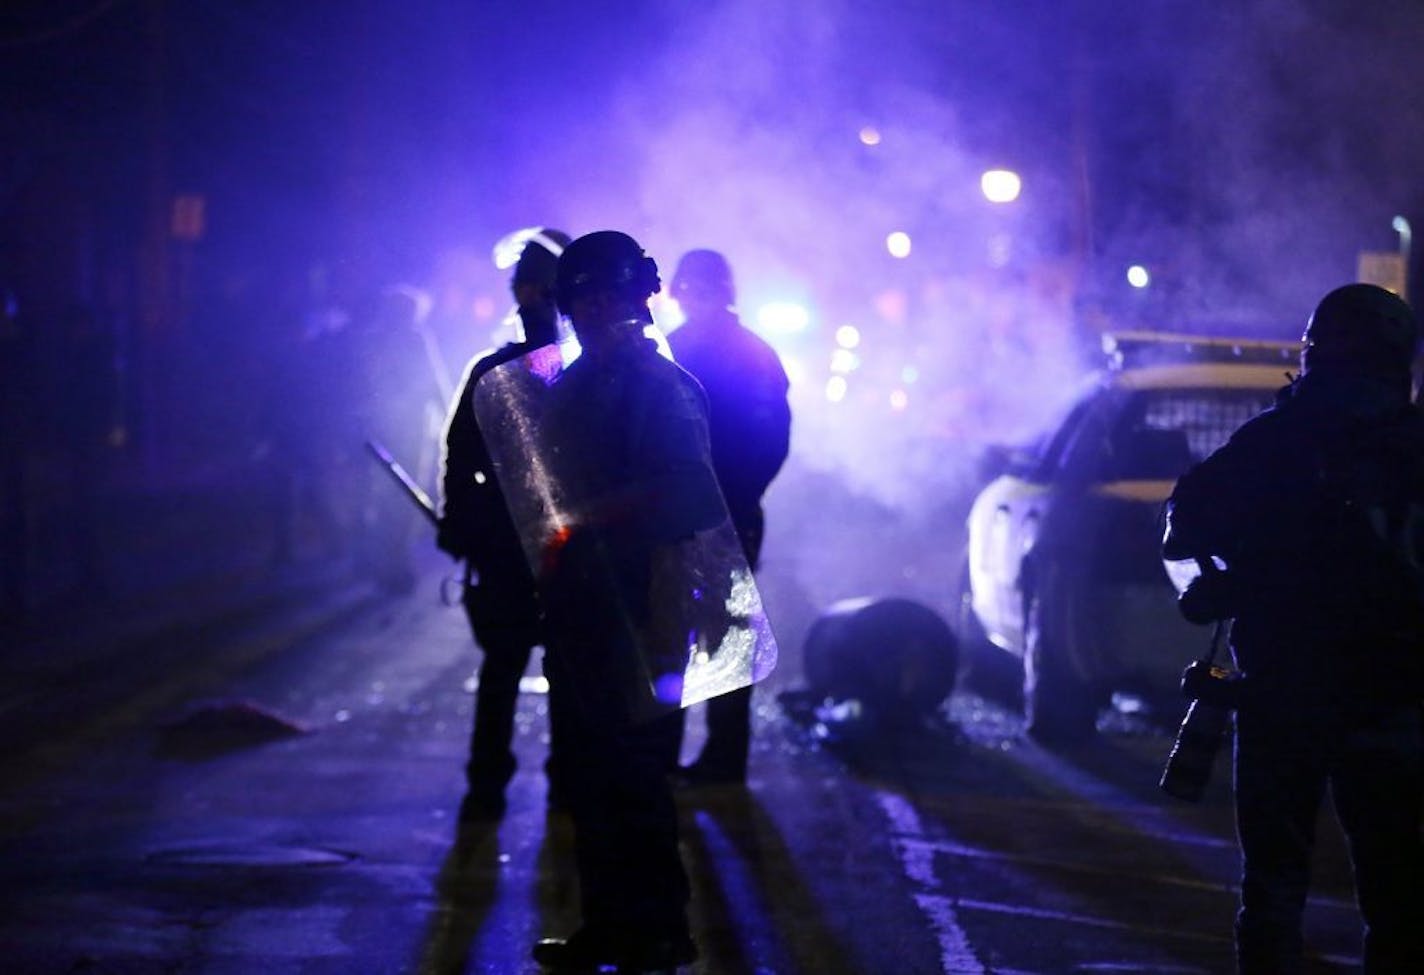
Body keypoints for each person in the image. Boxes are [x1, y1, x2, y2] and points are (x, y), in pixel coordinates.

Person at [1162, 283, 1424, 974]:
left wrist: (1214, 588)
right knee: (1397, 893)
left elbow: (1184, 529)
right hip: (1394, 703)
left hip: (1286, 694)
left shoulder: (1276, 441)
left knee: (1275, 888)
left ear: (1317, 354)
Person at [522, 230, 722, 972]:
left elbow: (687, 494)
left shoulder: (662, 387)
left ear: (636, 296)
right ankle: (608, 923)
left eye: (604, 294)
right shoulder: (576, 384)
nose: (592, 309)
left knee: (636, 775)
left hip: (646, 603)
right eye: (582, 297)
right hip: (582, 604)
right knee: (591, 774)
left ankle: (660, 930)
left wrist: (593, 518)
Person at [436, 228, 573, 821]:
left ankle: (533, 783)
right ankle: (496, 784)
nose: (530, 302)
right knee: (510, 672)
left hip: (566, 551)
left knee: (553, 674)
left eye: (540, 289)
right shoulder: (502, 371)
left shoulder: (584, 371)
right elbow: (460, 458)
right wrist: (463, 523)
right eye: (525, 289)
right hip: (512, 549)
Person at [664, 248, 790, 785]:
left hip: (713, 513)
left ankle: (708, 757)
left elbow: (770, 441)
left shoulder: (683, 350)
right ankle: (706, 756)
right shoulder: (701, 349)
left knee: (711, 637)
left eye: (700, 288)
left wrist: (727, 495)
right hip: (700, 513)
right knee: (686, 636)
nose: (694, 298)